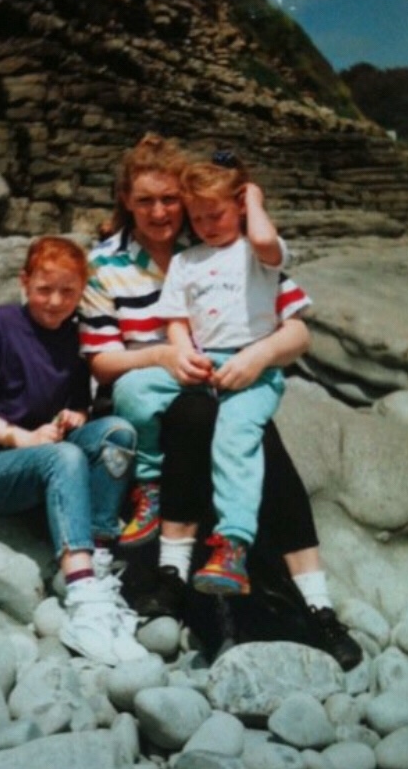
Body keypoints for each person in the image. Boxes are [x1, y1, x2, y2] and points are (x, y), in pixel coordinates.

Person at [80, 133, 362, 670]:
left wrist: (258, 355)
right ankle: (182, 576)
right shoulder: (106, 265)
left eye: (170, 199)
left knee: (260, 441)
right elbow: (101, 363)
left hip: (221, 378)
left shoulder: (218, 239)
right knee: (200, 416)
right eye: (145, 200)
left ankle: (316, 605)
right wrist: (164, 355)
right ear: (126, 202)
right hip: (146, 396)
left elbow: (296, 331)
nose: (161, 211)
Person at [107, 154, 307, 596]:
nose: (206, 225)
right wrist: (180, 352)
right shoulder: (186, 261)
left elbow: (266, 240)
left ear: (238, 205)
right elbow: (176, 318)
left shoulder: (258, 255)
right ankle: (150, 481)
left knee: (237, 438)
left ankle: (233, 543)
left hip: (250, 365)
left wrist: (253, 198)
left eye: (215, 215)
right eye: (196, 218)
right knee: (133, 390)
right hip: (201, 361)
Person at [0, 235, 148, 667]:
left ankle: (96, 557)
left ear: (81, 291)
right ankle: (81, 596)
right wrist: (19, 438)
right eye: (44, 289)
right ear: (25, 282)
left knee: (118, 433)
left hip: (46, 450)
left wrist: (75, 415)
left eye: (67, 292)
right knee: (65, 457)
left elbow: (78, 402)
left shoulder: (75, 338)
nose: (55, 301)